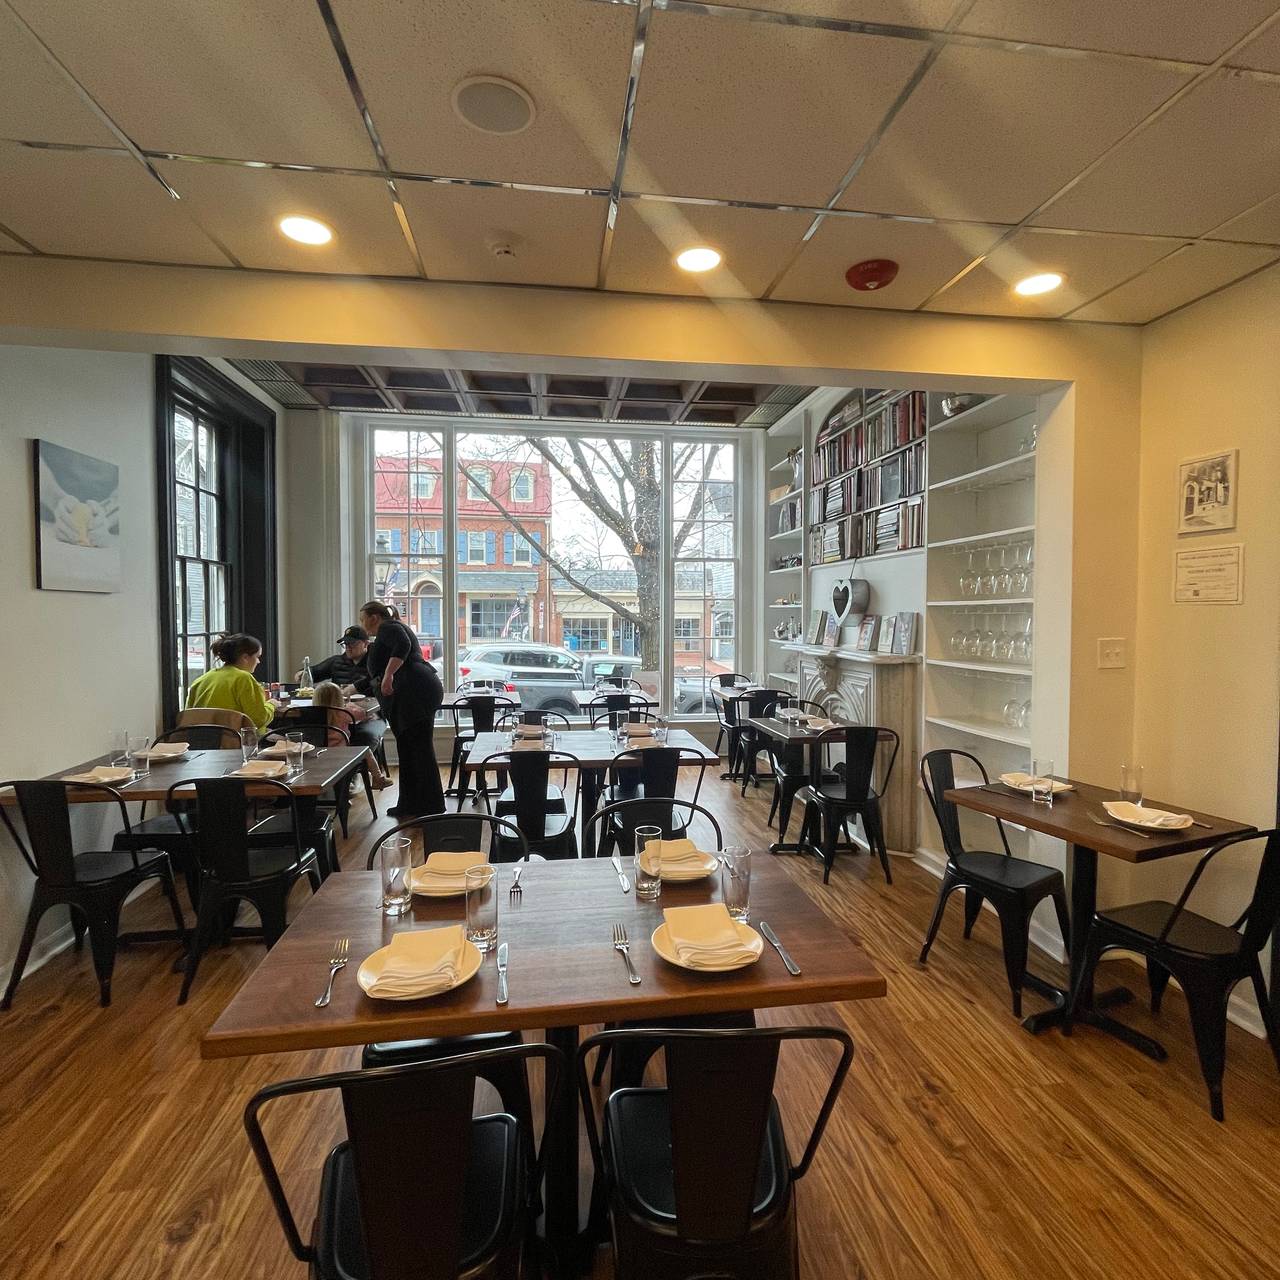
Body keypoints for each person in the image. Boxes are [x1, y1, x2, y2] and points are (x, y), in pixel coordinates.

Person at [360, 599, 445, 817]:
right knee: (411, 750)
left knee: (417, 750)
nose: (362, 624)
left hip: (414, 695)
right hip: (417, 693)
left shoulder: (388, 627)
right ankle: (414, 804)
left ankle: (427, 805)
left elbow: (403, 645)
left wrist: (389, 675)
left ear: (374, 618)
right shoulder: (392, 628)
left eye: (363, 619)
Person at [187, 633, 277, 736]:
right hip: (236, 740)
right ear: (245, 657)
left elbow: (188, 716)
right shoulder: (243, 678)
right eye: (257, 657)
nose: (258, 661)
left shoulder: (201, 680)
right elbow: (258, 720)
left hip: (200, 740)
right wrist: (271, 704)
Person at [312, 681, 393, 789]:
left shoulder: (312, 715)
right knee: (366, 751)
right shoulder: (343, 712)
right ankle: (378, 778)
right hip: (342, 753)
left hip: (319, 753)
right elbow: (362, 714)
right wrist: (350, 704)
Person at [302, 626, 375, 694]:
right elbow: (314, 672)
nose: (348, 648)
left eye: (352, 643)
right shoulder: (336, 661)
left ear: (366, 644)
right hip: (339, 702)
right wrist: (302, 673)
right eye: (346, 644)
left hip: (370, 702)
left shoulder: (375, 663)